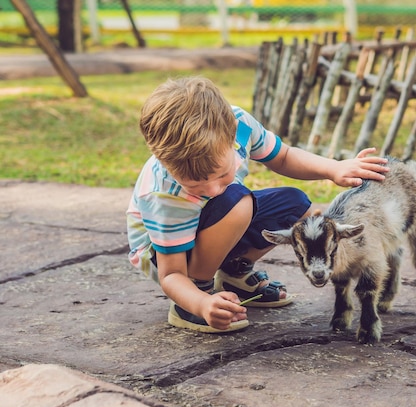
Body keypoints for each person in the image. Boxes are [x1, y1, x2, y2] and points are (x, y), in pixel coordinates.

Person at [126, 76, 389, 334]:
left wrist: (334, 168)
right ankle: (194, 295)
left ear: (231, 137)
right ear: (163, 159)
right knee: (237, 200)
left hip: (214, 221)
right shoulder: (162, 195)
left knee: (296, 208)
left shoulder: (238, 124)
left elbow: (283, 156)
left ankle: (234, 273)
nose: (213, 189)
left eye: (220, 174)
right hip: (167, 255)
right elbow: (171, 275)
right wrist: (202, 303)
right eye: (194, 184)